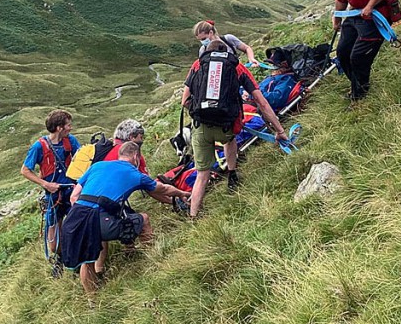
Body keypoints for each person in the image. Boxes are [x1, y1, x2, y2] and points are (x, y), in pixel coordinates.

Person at [60, 141, 189, 295]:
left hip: (74, 219)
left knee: (86, 262)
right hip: (98, 219)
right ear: (136, 157)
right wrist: (182, 194)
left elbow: (74, 196)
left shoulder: (97, 166)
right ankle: (154, 261)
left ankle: (92, 301)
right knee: (144, 219)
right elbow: (163, 188)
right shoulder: (134, 174)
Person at [181, 40, 288, 217]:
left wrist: (202, 110)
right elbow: (261, 102)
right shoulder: (237, 68)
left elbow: (184, 101)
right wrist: (280, 131)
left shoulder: (197, 65)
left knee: (202, 175)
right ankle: (232, 174)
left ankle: (194, 216)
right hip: (227, 126)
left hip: (201, 127)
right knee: (229, 140)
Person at [310, 0, 401, 101]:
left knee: (358, 57)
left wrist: (370, 6)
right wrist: (337, 17)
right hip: (356, 13)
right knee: (343, 52)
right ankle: (357, 86)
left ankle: (360, 95)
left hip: (377, 12)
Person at [20, 110, 81, 255]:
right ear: (59, 128)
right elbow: (25, 170)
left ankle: (75, 257)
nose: (70, 128)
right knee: (53, 243)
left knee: (78, 225)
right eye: (68, 125)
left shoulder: (70, 140)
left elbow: (81, 158)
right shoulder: (39, 147)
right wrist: (45, 184)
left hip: (71, 191)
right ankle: (59, 257)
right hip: (53, 197)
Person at [104, 118, 171, 205]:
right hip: (108, 201)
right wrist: (173, 201)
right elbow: (149, 187)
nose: (142, 140)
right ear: (131, 137)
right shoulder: (132, 154)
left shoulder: (108, 150)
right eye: (141, 137)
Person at [193, 20, 260, 68]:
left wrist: (251, 59)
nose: (202, 42)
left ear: (211, 32)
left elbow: (247, 48)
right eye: (200, 40)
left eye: (204, 39)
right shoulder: (202, 50)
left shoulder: (228, 39)